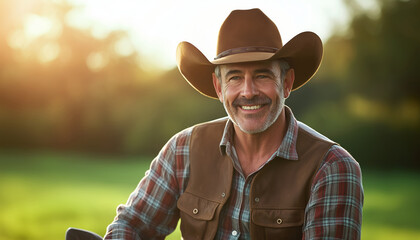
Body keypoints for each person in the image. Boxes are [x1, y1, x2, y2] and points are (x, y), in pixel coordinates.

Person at [74, 8, 363, 240]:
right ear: (218, 86)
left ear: (286, 82)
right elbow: (133, 225)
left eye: (262, 75)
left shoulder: (332, 168)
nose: (248, 91)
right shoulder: (183, 149)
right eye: (235, 77)